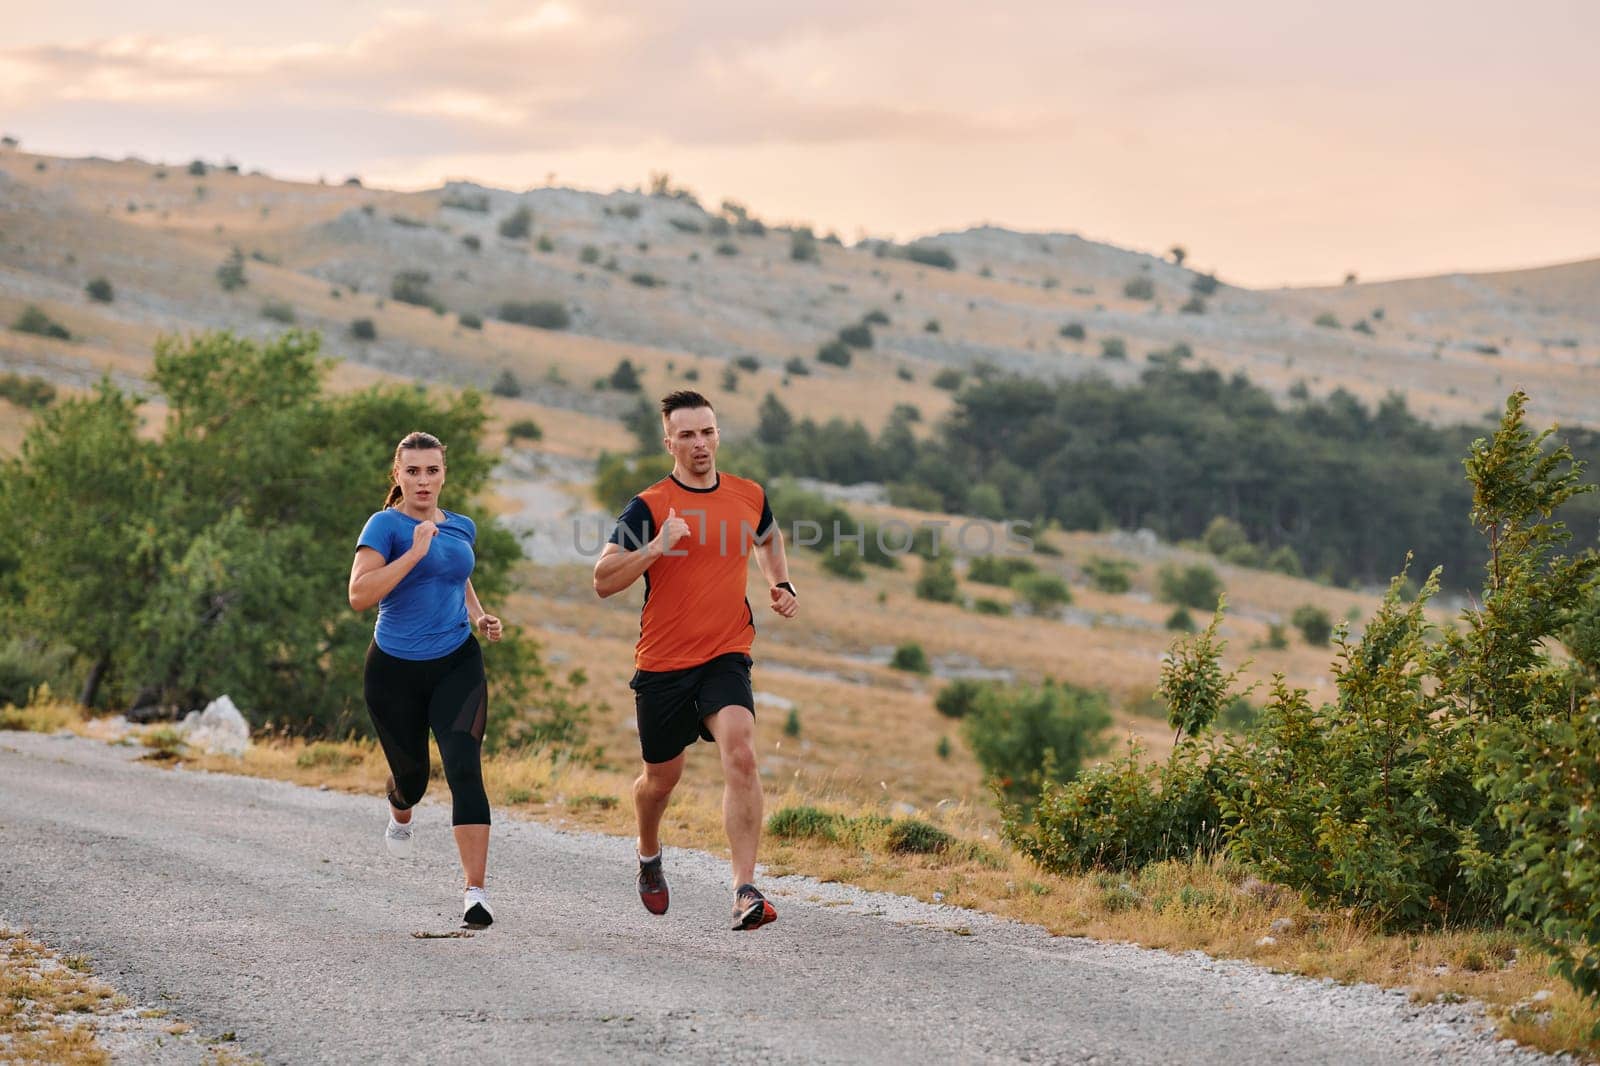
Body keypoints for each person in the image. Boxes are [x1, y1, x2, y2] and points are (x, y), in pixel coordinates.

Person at [594, 389, 798, 931]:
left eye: (707, 431)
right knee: (660, 781)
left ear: (717, 434)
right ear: (669, 443)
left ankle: (744, 889)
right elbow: (603, 581)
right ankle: (647, 851)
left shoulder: (748, 494)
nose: (700, 443)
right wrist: (656, 547)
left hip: (726, 653)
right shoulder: (650, 506)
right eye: (687, 434)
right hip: (663, 665)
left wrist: (780, 582)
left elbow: (769, 537)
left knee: (743, 755)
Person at [348, 431, 503, 928]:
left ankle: (474, 893)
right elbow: (358, 594)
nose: (423, 480)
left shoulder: (460, 526)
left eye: (431, 470)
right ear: (398, 475)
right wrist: (412, 554)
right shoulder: (384, 525)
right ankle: (399, 807)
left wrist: (478, 616)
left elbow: (457, 576)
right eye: (412, 471)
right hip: (393, 671)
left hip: (457, 661)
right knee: (413, 780)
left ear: (443, 473)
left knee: (463, 767)